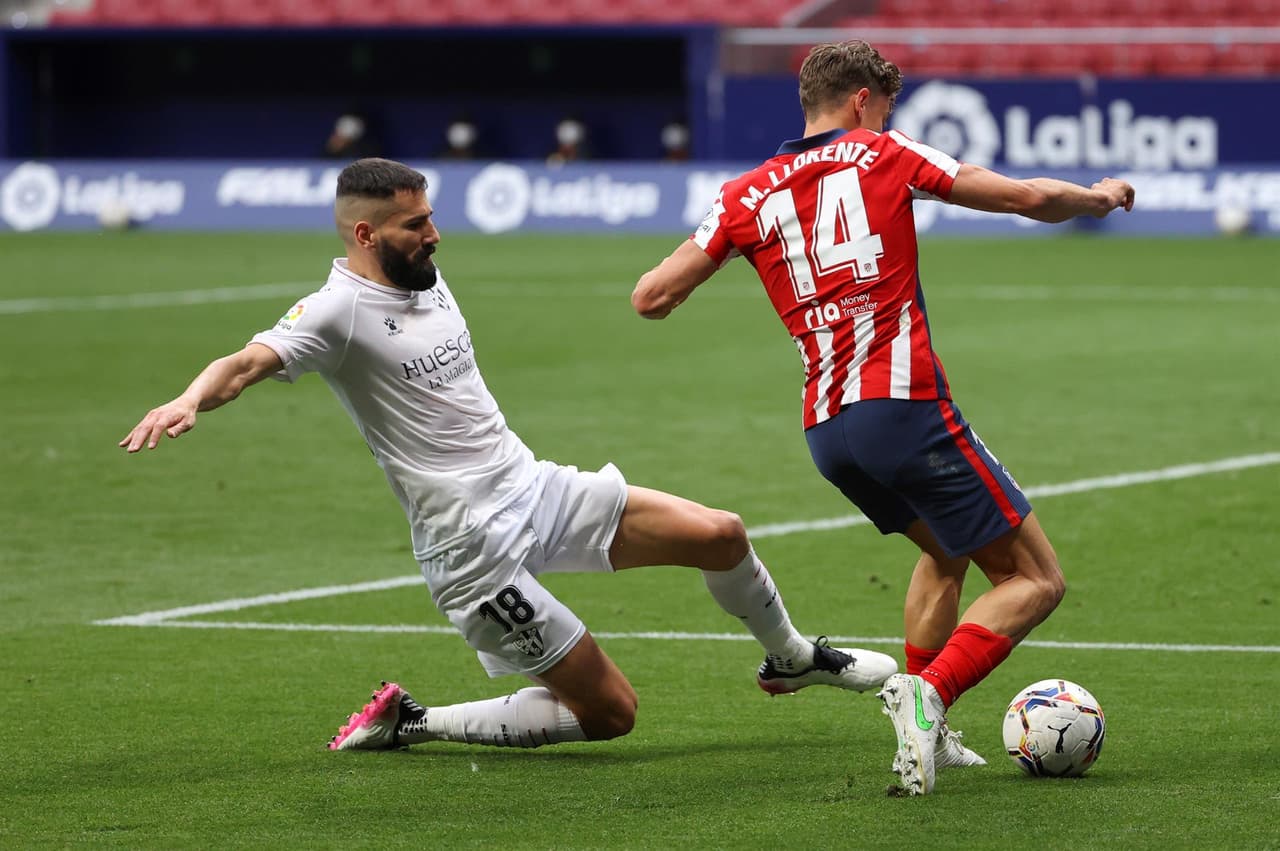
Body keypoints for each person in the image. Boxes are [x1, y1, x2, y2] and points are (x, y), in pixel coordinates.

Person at [119, 157, 897, 754]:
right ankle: (414, 721)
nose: (433, 235)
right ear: (364, 235)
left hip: (533, 486)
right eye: (414, 225)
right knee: (611, 714)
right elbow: (247, 361)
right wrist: (190, 398)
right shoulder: (336, 311)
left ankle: (790, 658)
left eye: (430, 217)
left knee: (721, 533)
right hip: (471, 548)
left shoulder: (421, 272)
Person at [630, 41, 1135, 795]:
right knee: (1035, 579)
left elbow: (652, 295)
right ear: (863, 100)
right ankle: (929, 695)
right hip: (901, 406)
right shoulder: (881, 152)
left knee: (945, 552)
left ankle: (930, 729)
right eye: (887, 103)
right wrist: (1096, 198)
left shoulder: (746, 193)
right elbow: (1026, 198)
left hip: (828, 432)